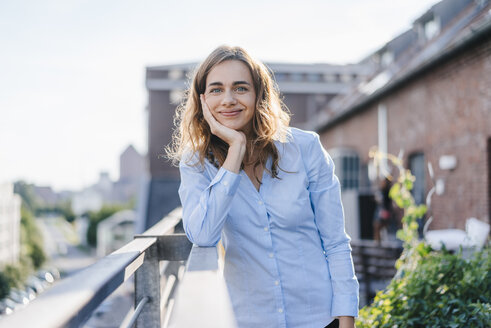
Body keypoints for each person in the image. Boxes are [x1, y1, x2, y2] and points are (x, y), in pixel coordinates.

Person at [168, 45, 359, 328]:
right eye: (217, 90)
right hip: (250, 319)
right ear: (202, 99)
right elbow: (203, 235)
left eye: (241, 88)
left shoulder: (305, 149)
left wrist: (346, 317)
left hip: (319, 317)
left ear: (258, 94)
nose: (229, 100)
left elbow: (335, 242)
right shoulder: (196, 163)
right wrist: (235, 150)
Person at [373, 177, 393, 243]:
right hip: (381, 211)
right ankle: (378, 241)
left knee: (379, 226)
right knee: (378, 226)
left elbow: (386, 202)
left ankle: (379, 242)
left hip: (384, 212)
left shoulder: (387, 192)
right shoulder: (382, 190)